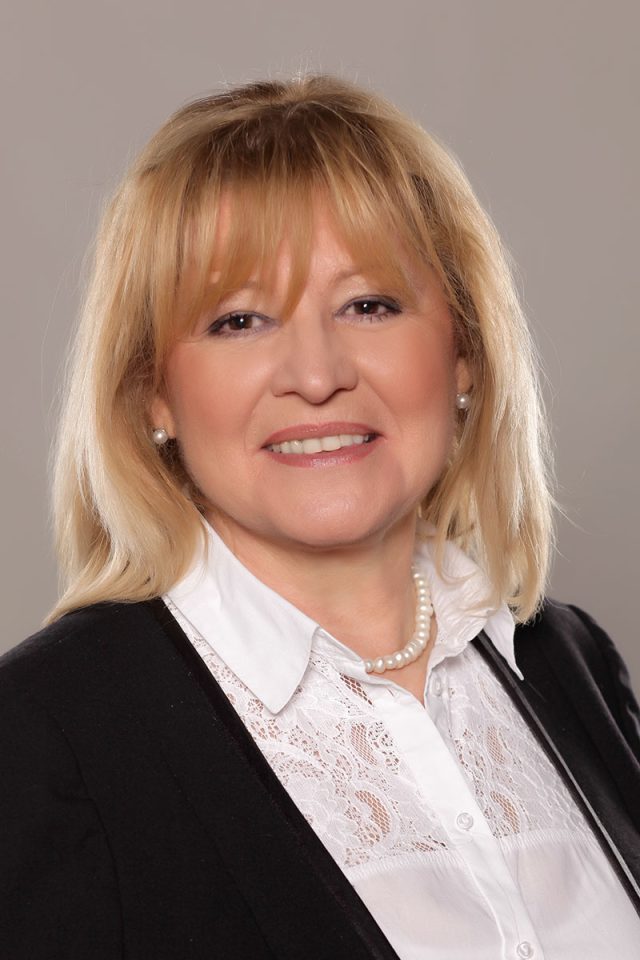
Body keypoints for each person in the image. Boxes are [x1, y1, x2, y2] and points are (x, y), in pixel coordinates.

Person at [1, 75, 639, 960]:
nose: (316, 375)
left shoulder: (568, 660)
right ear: (153, 392)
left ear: (463, 351)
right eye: (239, 320)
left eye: (369, 305)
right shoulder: (44, 733)